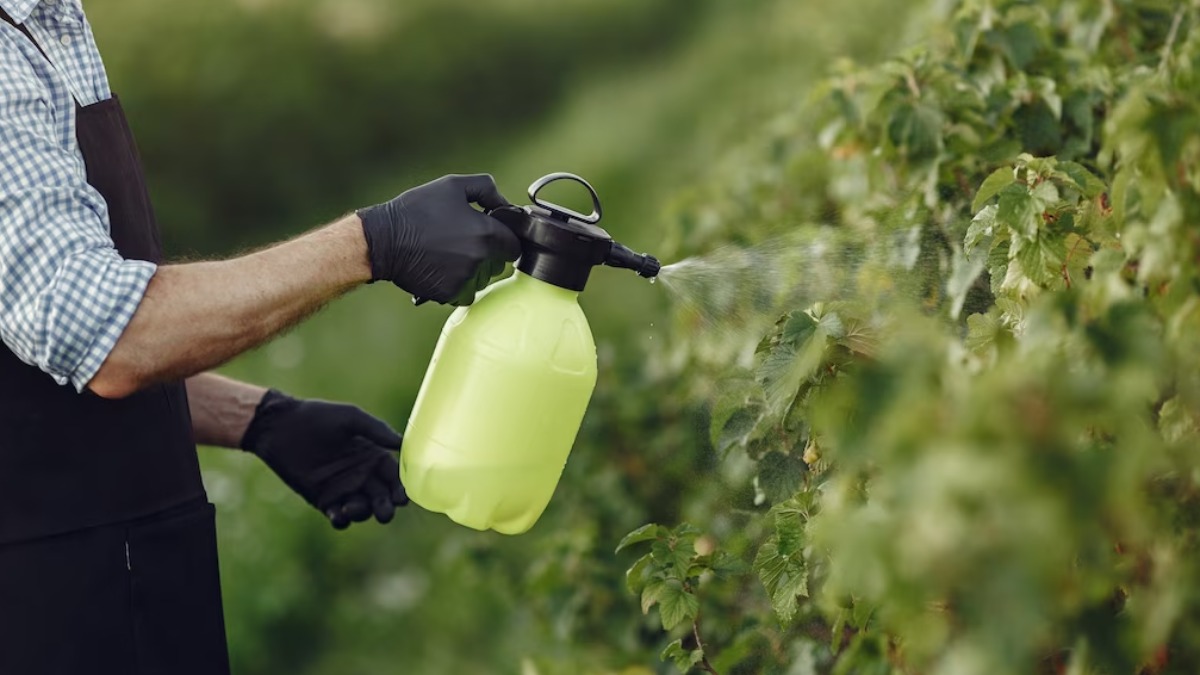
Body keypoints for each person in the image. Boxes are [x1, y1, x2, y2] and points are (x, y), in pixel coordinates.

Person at [0, 1, 522, 673]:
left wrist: (260, 419)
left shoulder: (48, 21)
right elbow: (113, 332)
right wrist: (371, 243)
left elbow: (38, 343)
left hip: (125, 583)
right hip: (48, 611)